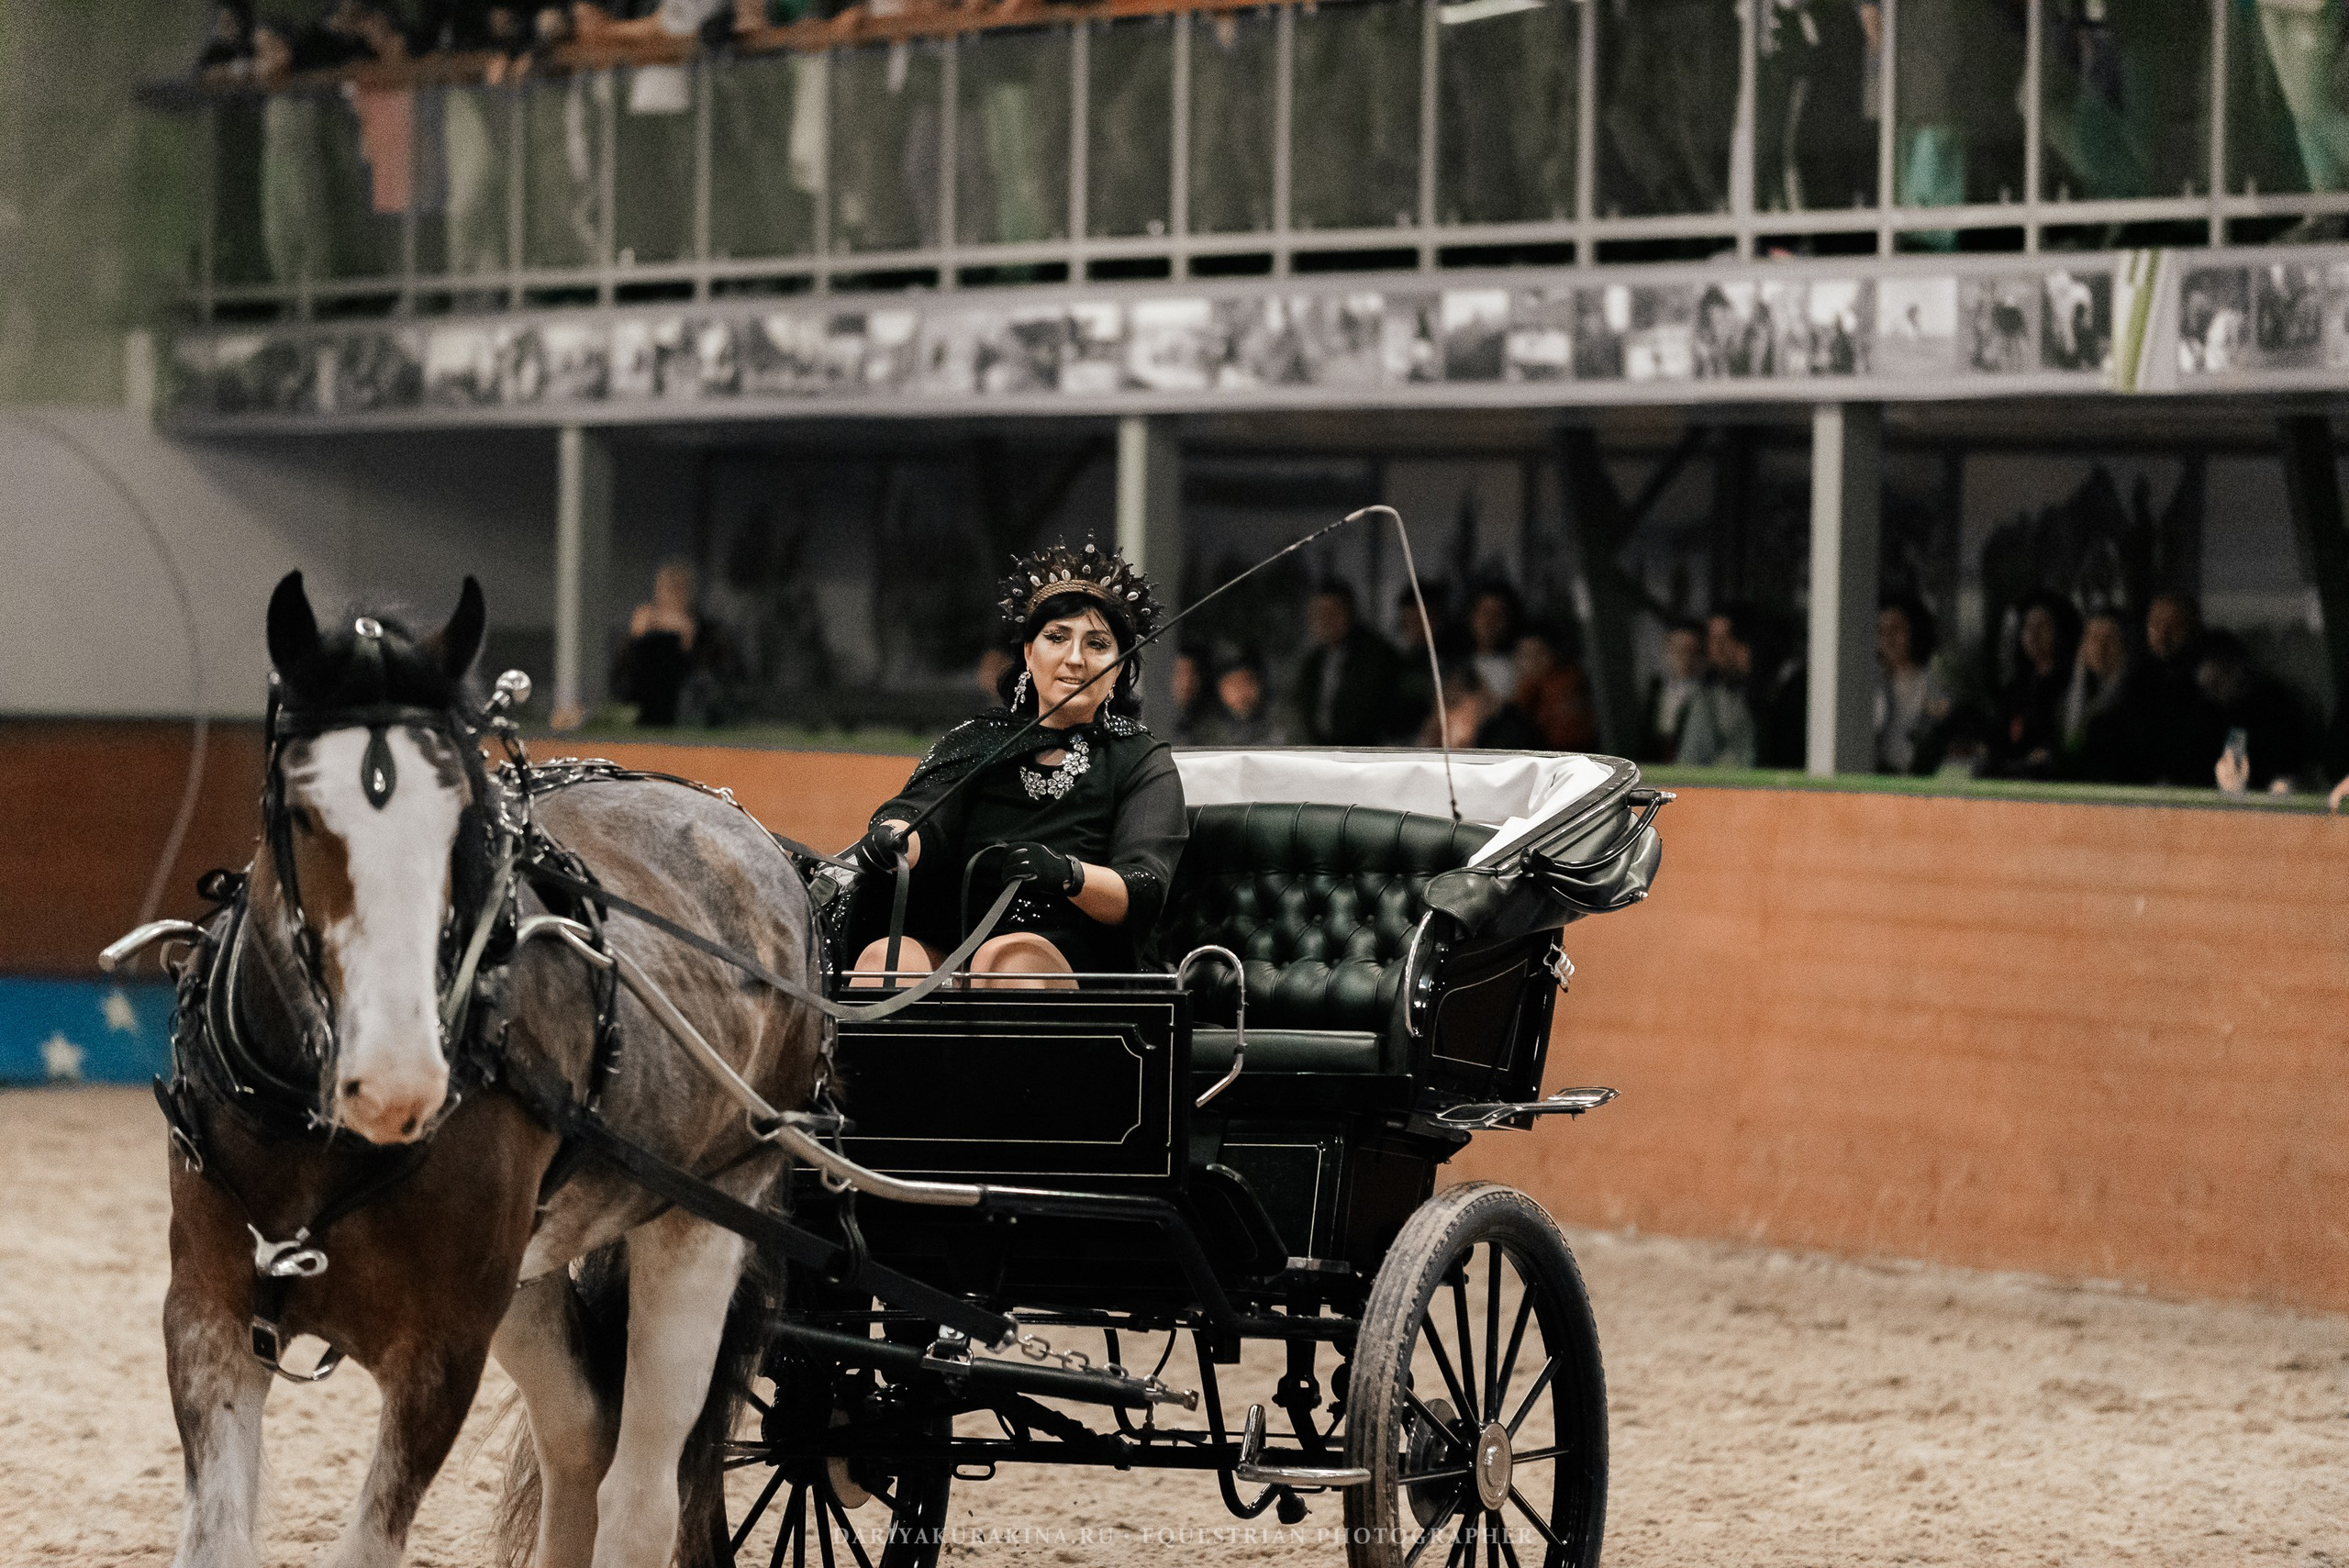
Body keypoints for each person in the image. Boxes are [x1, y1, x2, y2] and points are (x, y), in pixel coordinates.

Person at [848, 541, 1187, 990]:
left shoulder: (1141, 760)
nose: (1074, 659)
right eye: (1057, 637)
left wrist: (1069, 873)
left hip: (1080, 954)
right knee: (884, 961)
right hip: (957, 937)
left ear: (1121, 668)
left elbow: (1143, 886)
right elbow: (923, 818)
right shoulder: (978, 741)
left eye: (1098, 644)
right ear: (1029, 653)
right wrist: (894, 838)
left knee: (1006, 962)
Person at [611, 558, 727, 728]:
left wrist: (688, 644)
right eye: (667, 589)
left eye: (680, 589)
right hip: (643, 711)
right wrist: (635, 640)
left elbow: (713, 684)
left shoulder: (711, 633)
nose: (673, 596)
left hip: (686, 715)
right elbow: (621, 684)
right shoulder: (644, 629)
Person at [1286, 582, 1400, 746]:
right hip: (1320, 752)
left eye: (1332, 612)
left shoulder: (1375, 655)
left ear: (1349, 612)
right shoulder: (1314, 661)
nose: (1324, 620)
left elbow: (1374, 713)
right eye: (1318, 613)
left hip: (1363, 753)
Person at [2202, 631, 2315, 795]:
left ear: (2235, 671)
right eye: (2207, 690)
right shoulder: (2213, 716)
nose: (2213, 696)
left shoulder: (2274, 706)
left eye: (2216, 685)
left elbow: (2286, 776)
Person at [2061, 608, 2157, 783]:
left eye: (2109, 638)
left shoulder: (2142, 700)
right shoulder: (2066, 700)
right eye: (2093, 638)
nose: (2100, 647)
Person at [1991, 591, 2080, 778]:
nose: (2033, 635)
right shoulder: (2017, 688)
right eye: (2028, 627)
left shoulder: (2072, 685)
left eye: (2042, 627)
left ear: (2059, 631)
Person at [2140, 591, 2223, 786]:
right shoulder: (2137, 682)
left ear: (2193, 629)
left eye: (2174, 626)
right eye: (2155, 625)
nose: (2163, 635)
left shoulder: (2209, 683)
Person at [1874, 594, 1953, 775]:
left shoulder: (1934, 681)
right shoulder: (1871, 682)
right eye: (1880, 631)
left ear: (1915, 631)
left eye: (1896, 629)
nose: (1888, 639)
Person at [1639, 619, 1706, 762]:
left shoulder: (1707, 696)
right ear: (1666, 653)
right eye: (1678, 650)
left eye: (1692, 651)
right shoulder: (1653, 693)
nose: (1685, 658)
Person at [1192, 651, 1279, 747]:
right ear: (1220, 689)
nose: (1242, 690)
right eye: (1233, 684)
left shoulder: (1280, 722)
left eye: (1248, 681)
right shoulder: (1205, 731)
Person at [1465, 584, 1523, 706]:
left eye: (1498, 614)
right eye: (1484, 613)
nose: (1490, 622)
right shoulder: (1455, 666)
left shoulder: (1520, 665)